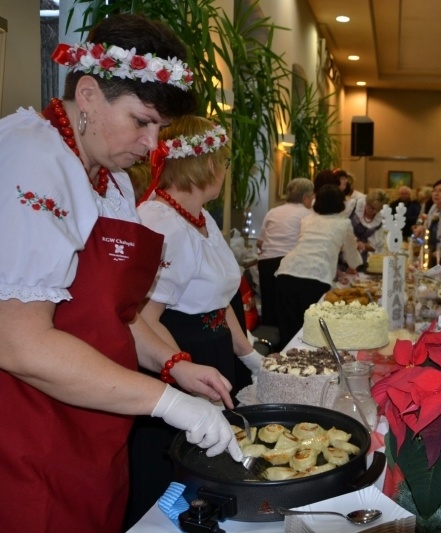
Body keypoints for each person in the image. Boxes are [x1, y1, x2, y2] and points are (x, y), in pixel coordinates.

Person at [0, 14, 241, 532]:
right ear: (87, 93)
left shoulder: (114, 185)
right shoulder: (29, 157)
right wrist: (168, 402)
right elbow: (19, 344)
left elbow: (120, 317)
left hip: (100, 430)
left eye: (162, 129)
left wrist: (173, 363)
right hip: (30, 432)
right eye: (142, 121)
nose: (154, 146)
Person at [130, 115, 265, 524]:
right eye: (223, 161)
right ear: (203, 164)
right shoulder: (160, 221)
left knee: (215, 467)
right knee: (176, 478)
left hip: (213, 350)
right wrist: (179, 372)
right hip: (176, 356)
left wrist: (251, 356)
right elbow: (143, 317)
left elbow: (221, 299)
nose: (226, 170)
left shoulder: (200, 216)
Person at [274, 184, 362, 349]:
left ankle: (285, 369)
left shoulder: (307, 220)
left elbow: (310, 249)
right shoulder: (343, 223)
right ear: (340, 203)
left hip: (287, 272)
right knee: (314, 332)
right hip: (316, 278)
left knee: (289, 331)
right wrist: (353, 266)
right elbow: (352, 258)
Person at [256, 177, 314, 327]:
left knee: (269, 307)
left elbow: (260, 242)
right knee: (288, 312)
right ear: (305, 197)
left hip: (266, 264)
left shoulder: (273, 212)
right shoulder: (308, 215)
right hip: (289, 265)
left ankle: (269, 345)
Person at [350, 189, 390, 262]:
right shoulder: (354, 206)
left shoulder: (380, 221)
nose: (370, 210)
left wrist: (363, 245)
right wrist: (353, 242)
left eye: (375, 209)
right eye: (369, 206)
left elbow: (374, 246)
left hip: (361, 256)